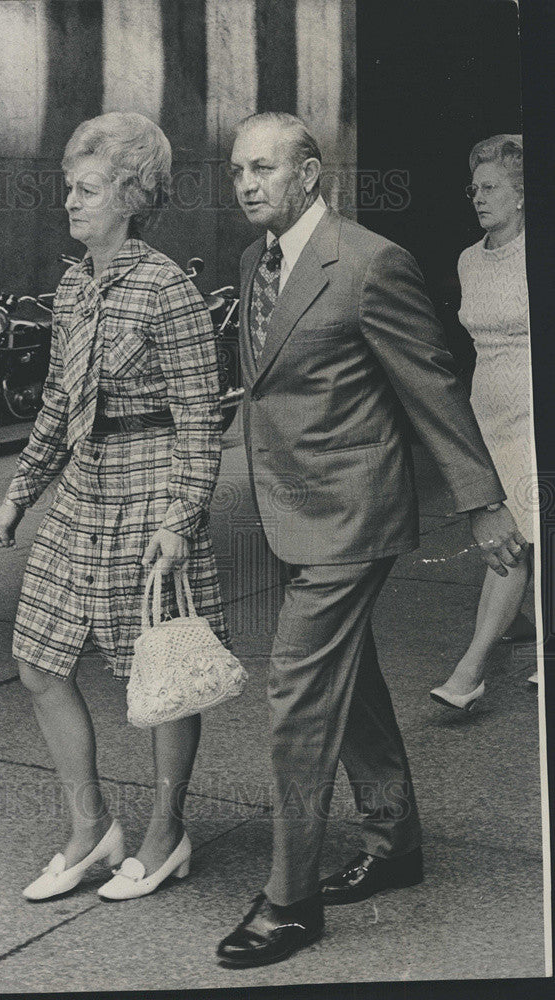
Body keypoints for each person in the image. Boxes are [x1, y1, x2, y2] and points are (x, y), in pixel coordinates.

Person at [216, 112, 526, 969]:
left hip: (352, 514)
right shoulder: (254, 263)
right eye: (238, 168)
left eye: (265, 168)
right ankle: (395, 843)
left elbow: (429, 384)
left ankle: (289, 900)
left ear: (309, 174)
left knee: (295, 699)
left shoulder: (367, 262)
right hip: (288, 511)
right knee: (350, 687)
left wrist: (481, 502)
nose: (246, 183)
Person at [0, 112, 229, 902]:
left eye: (86, 189)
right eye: (67, 188)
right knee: (37, 658)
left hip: (149, 494)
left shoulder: (168, 290)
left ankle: (165, 829)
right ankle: (92, 829)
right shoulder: (71, 286)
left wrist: (179, 518)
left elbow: (201, 416)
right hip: (84, 493)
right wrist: (18, 494)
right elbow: (58, 404)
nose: (70, 202)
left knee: (156, 675)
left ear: (130, 195)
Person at [430, 135, 537, 707]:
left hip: (535, 410)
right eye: (473, 188)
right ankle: (522, 626)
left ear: (522, 195)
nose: (477, 197)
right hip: (488, 411)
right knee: (518, 530)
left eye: (490, 186)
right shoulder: (470, 259)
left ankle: (469, 673)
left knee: (515, 538)